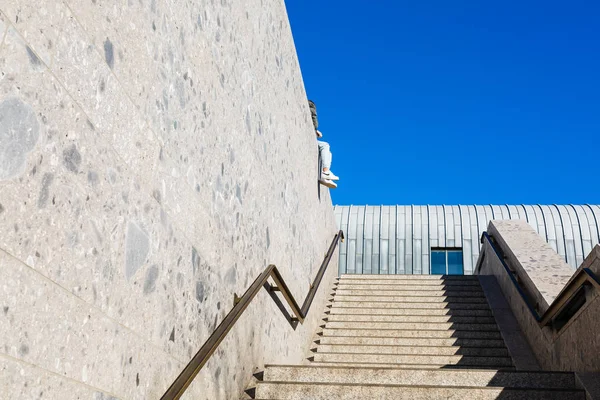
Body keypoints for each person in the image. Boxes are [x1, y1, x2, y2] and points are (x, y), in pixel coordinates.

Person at [308, 100, 339, 188]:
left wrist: (315, 131)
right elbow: (314, 122)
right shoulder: (311, 110)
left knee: (328, 152)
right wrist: (315, 130)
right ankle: (325, 172)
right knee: (325, 145)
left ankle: (325, 176)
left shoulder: (310, 110)